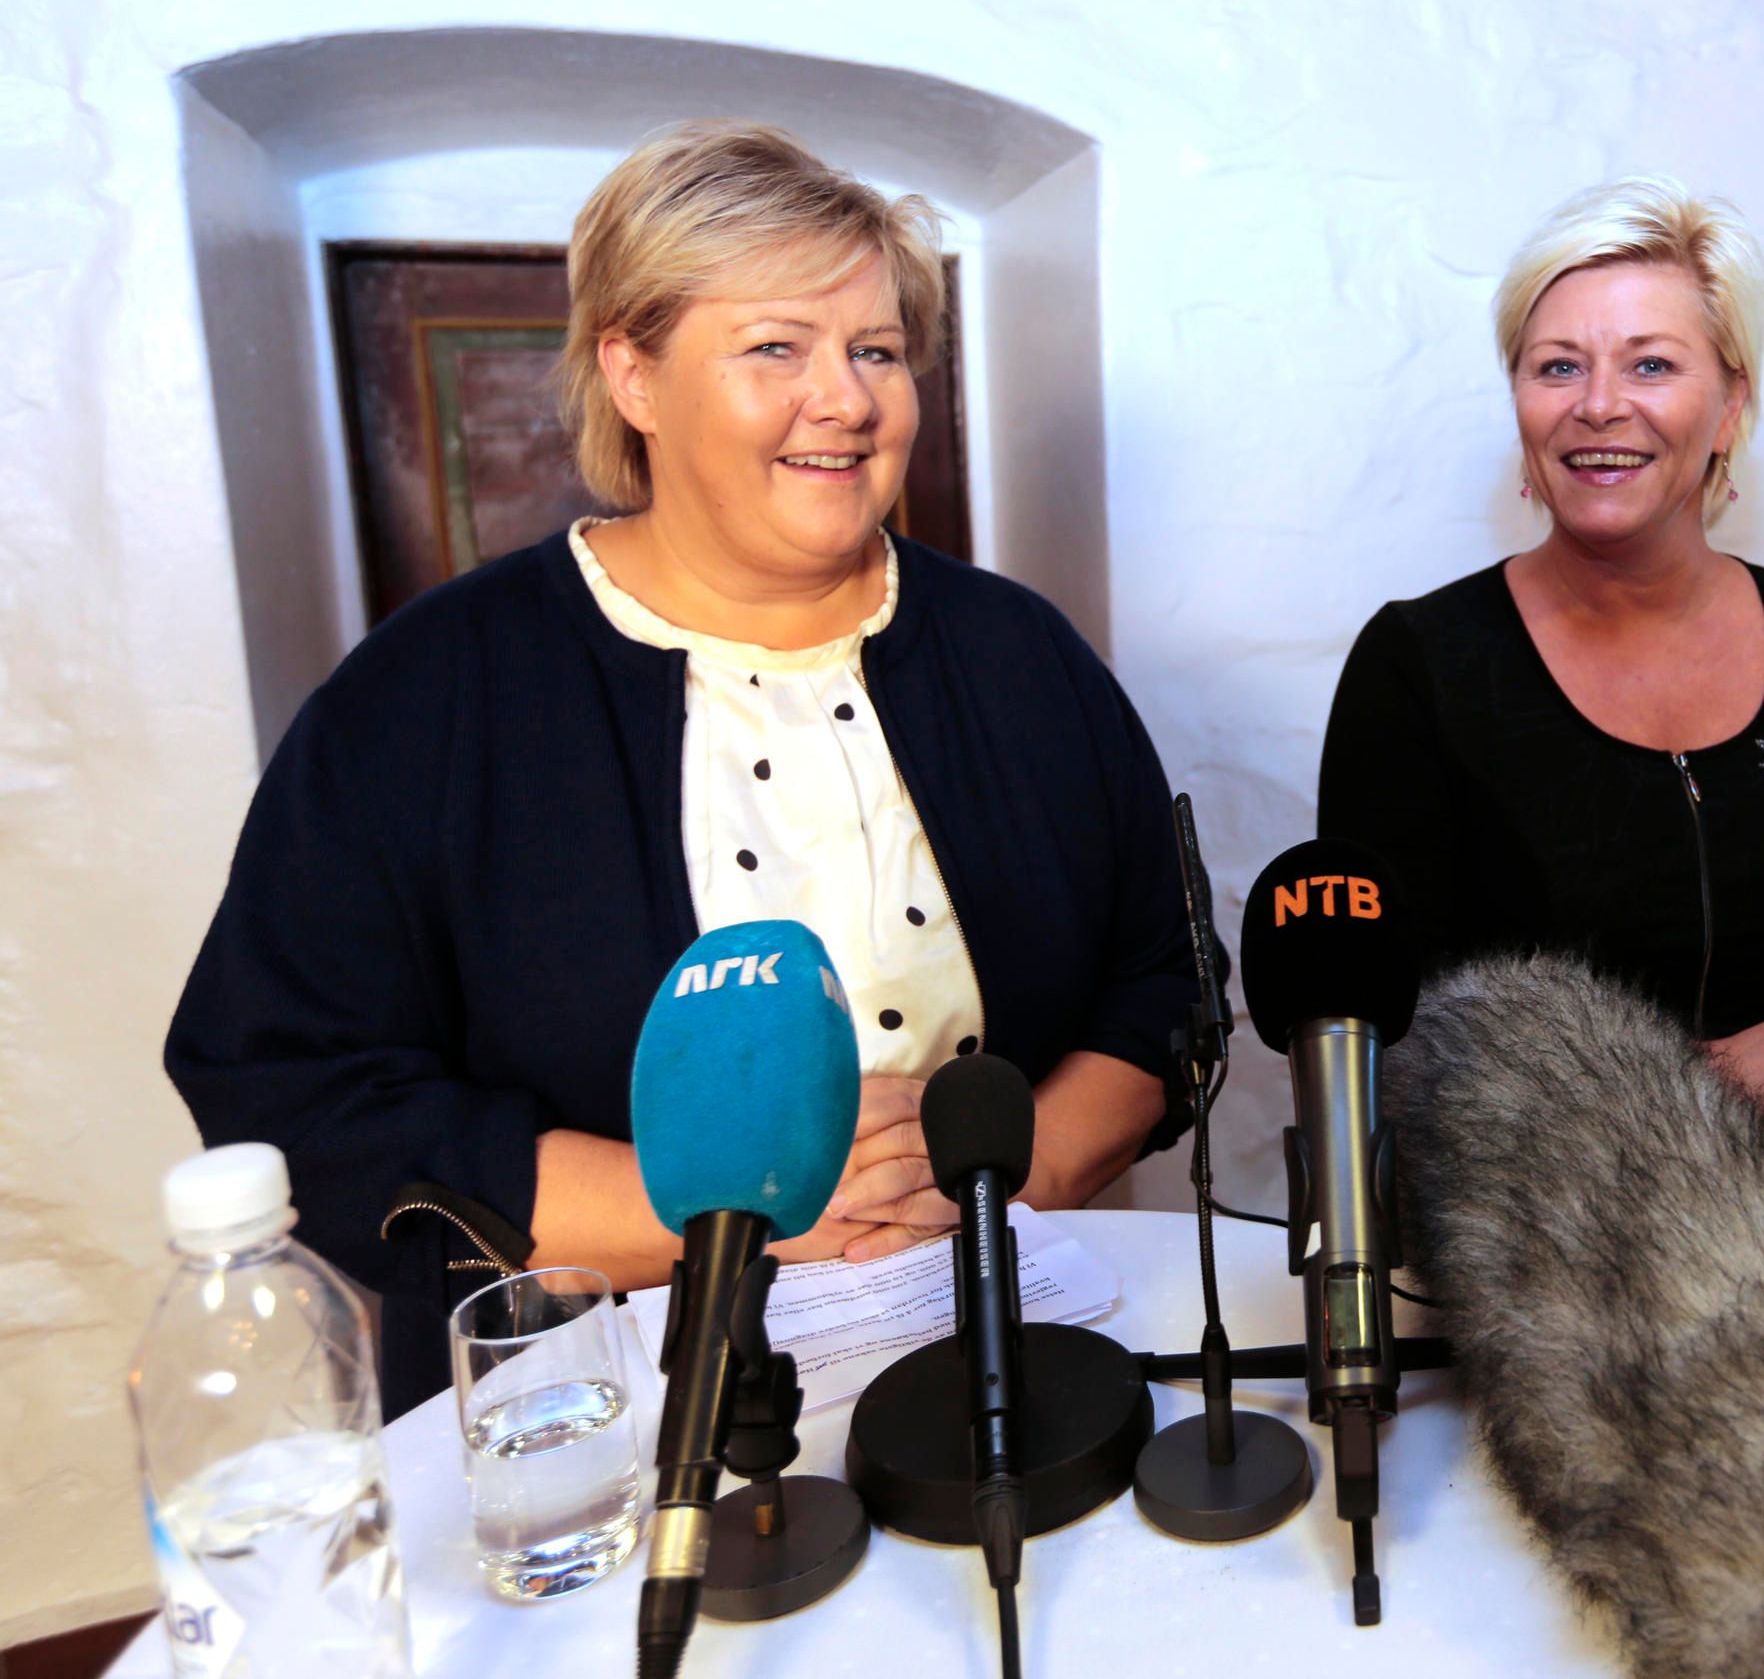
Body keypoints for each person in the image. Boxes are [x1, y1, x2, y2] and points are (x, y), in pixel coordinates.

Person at [168, 123, 1193, 1410]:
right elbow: (292, 1085)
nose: (847, 399)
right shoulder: (427, 694)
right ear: (634, 375)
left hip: (1011, 1354)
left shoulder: (1019, 652)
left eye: (877, 350)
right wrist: (716, 1206)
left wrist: (1009, 1167)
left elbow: (1163, 979)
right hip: (612, 1409)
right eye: (776, 347)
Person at [1319, 176, 1764, 1181]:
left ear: (1730, 405)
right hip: (1545, 1215)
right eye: (1558, 366)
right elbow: (1386, 1044)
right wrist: (1721, 1079)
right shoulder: (1417, 669)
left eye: (1651, 363)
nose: (1599, 405)